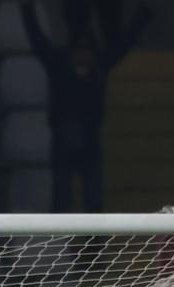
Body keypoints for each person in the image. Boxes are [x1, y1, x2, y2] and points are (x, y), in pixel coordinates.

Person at [22, 1, 150, 212]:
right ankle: (60, 243)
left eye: (88, 50)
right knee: (61, 197)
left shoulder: (99, 66)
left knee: (93, 198)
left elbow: (124, 44)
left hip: (90, 139)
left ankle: (94, 245)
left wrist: (144, 14)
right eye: (80, 50)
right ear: (73, 52)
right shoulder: (59, 66)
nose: (84, 55)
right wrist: (26, 9)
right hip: (62, 139)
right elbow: (38, 40)